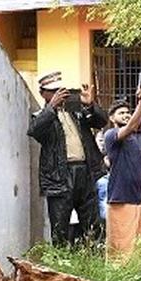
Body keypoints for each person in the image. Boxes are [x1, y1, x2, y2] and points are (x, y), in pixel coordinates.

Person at [28, 72, 108, 245]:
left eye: (61, 89)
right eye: (54, 90)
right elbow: (34, 131)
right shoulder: (42, 115)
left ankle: (94, 263)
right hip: (59, 177)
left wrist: (90, 105)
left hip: (85, 173)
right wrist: (52, 107)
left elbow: (101, 121)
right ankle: (60, 266)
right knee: (60, 228)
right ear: (43, 93)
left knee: (93, 227)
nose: (60, 93)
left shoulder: (77, 111)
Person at [103, 83, 141, 257]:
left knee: (137, 249)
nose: (126, 115)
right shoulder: (111, 135)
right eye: (121, 113)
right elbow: (132, 126)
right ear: (112, 118)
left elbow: (138, 172)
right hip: (121, 199)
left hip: (137, 199)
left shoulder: (133, 141)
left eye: (127, 112)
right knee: (120, 249)